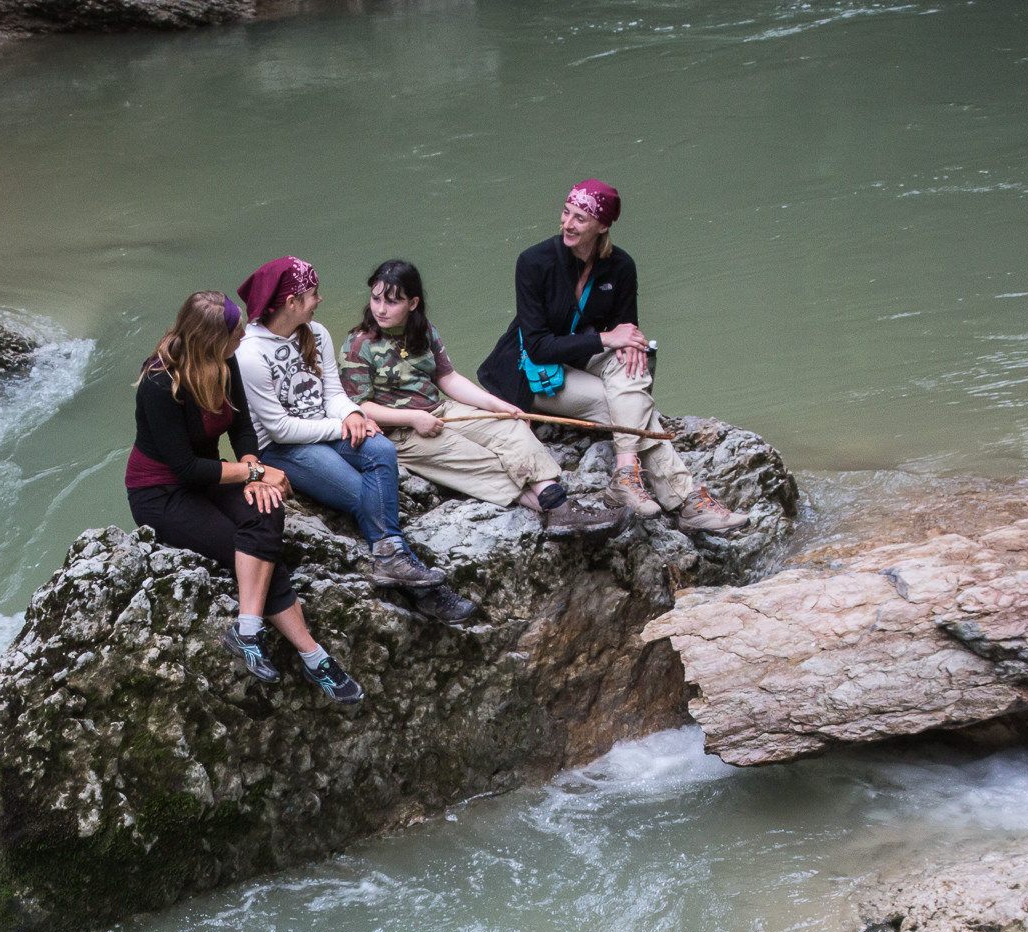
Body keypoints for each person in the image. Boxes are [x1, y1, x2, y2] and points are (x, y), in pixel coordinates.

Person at [127, 289, 361, 705]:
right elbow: (185, 468)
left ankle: (248, 628)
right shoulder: (159, 385)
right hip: (161, 492)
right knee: (250, 550)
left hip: (212, 475)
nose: (242, 340)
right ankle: (314, 655)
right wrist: (256, 471)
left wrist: (254, 473)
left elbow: (240, 427)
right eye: (234, 335)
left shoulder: (225, 360)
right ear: (209, 340)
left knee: (266, 512)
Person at [476, 180, 750, 533]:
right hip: (532, 369)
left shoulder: (620, 266)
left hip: (583, 356)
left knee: (632, 363)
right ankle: (685, 501)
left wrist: (626, 344)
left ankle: (625, 475)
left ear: (603, 226)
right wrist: (608, 337)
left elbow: (627, 335)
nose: (568, 224)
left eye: (580, 218)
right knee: (628, 408)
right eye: (566, 213)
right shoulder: (534, 261)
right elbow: (539, 344)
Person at [233, 258, 464, 615]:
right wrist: (342, 425)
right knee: (363, 493)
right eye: (312, 294)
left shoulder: (317, 333)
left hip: (327, 427)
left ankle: (392, 561)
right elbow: (280, 428)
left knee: (381, 449)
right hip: (282, 448)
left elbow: (334, 394)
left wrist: (353, 413)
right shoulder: (250, 353)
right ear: (291, 303)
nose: (319, 300)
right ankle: (421, 589)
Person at [340, 259, 624, 540]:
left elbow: (447, 378)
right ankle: (552, 509)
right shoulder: (360, 343)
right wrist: (413, 418)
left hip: (440, 410)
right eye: (376, 299)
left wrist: (498, 405)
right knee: (478, 458)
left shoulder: (423, 329)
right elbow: (361, 406)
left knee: (510, 427)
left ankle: (557, 502)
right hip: (399, 432)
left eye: (392, 302)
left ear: (412, 303)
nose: (380, 308)